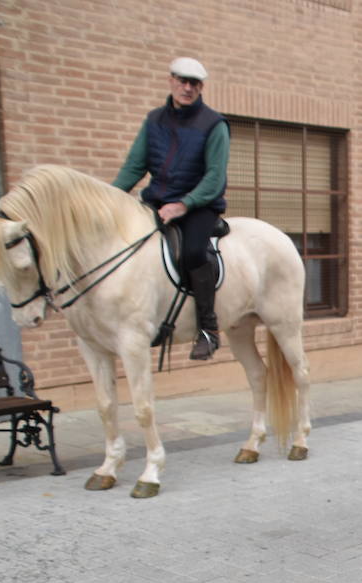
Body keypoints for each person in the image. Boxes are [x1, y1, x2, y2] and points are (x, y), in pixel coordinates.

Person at [113, 57, 229, 361]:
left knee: (192, 252)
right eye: (182, 81)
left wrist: (184, 205)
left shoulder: (214, 124)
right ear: (171, 81)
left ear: (201, 87)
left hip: (199, 204)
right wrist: (108, 199)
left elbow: (215, 178)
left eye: (194, 83)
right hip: (158, 200)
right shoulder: (154, 121)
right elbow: (135, 166)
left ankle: (208, 330)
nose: (187, 88)